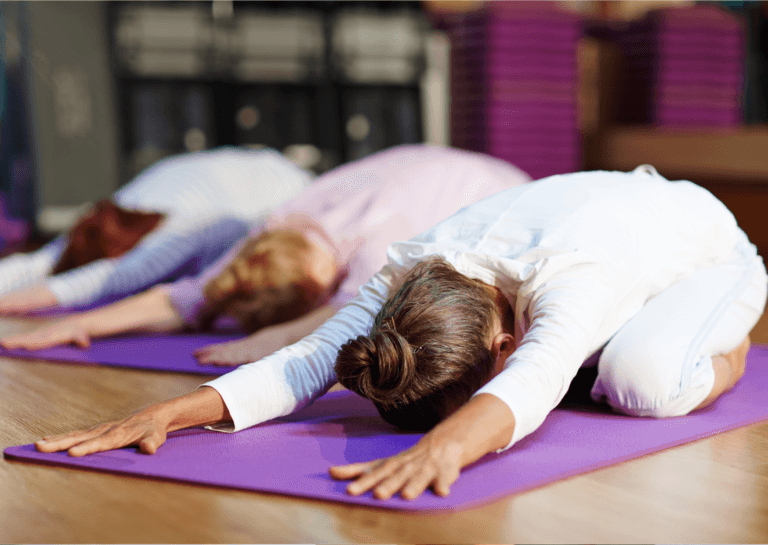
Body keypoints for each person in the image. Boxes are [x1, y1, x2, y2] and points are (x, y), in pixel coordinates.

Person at [29, 166, 767, 501]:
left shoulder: (572, 279)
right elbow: (307, 357)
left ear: (502, 342)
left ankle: (725, 345)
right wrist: (168, 413)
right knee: (590, 367)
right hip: (610, 220)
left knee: (642, 381)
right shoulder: (408, 271)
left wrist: (444, 445)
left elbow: (535, 380)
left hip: (709, 250)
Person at [1, 145, 532, 365]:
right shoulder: (272, 223)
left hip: (513, 196)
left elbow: (348, 313)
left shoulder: (380, 239)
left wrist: (267, 342)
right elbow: (186, 296)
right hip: (442, 165)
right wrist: (82, 323)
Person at [0, 147, 311, 313]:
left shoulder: (184, 224)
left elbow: (116, 277)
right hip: (247, 164)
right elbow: (42, 261)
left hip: (289, 187)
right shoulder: (120, 206)